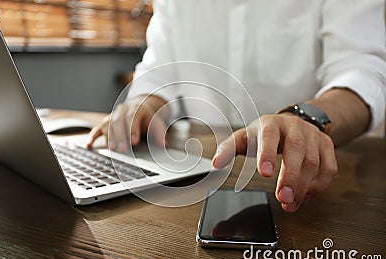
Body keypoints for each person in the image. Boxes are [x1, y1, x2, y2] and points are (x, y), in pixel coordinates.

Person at [87, 0, 386, 212]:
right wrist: (142, 104)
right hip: (194, 181)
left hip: (314, 182)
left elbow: (362, 69)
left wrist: (307, 119)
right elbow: (160, 73)